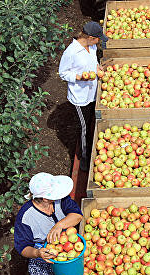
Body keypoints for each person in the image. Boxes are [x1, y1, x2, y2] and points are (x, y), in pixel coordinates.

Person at [14, 172, 83, 275]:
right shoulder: (26, 217)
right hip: (46, 252)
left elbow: (77, 216)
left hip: (71, 243)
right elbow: (22, 247)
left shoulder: (60, 201)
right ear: (45, 198)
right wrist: (37, 253)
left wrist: (59, 225)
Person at [59, 21, 108, 172]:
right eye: (98, 38)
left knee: (92, 119)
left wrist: (97, 68)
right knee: (84, 127)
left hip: (92, 91)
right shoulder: (71, 52)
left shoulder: (91, 46)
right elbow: (63, 73)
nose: (99, 41)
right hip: (80, 97)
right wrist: (79, 77)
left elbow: (92, 62)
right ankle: (84, 157)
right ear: (91, 37)